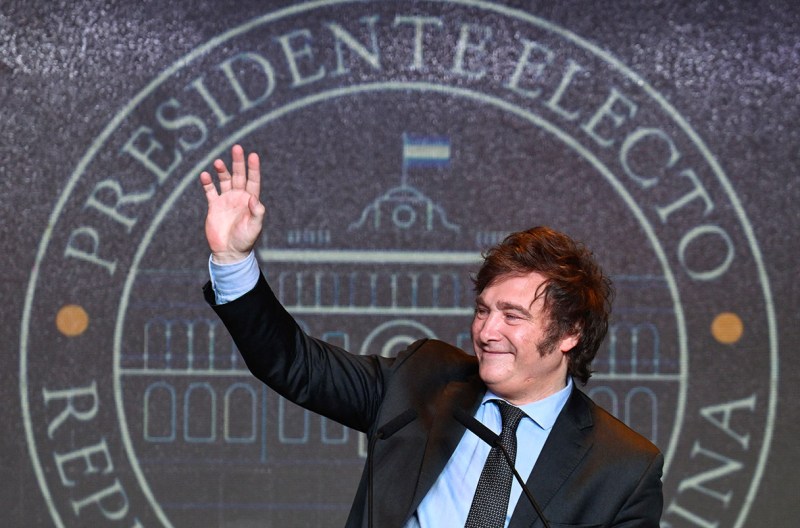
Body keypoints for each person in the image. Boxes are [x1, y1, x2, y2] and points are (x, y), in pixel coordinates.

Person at [199, 145, 664, 527]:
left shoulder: (623, 467)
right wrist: (233, 260)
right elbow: (294, 364)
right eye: (483, 310)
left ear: (569, 333)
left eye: (512, 316)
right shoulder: (420, 380)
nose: (487, 331)